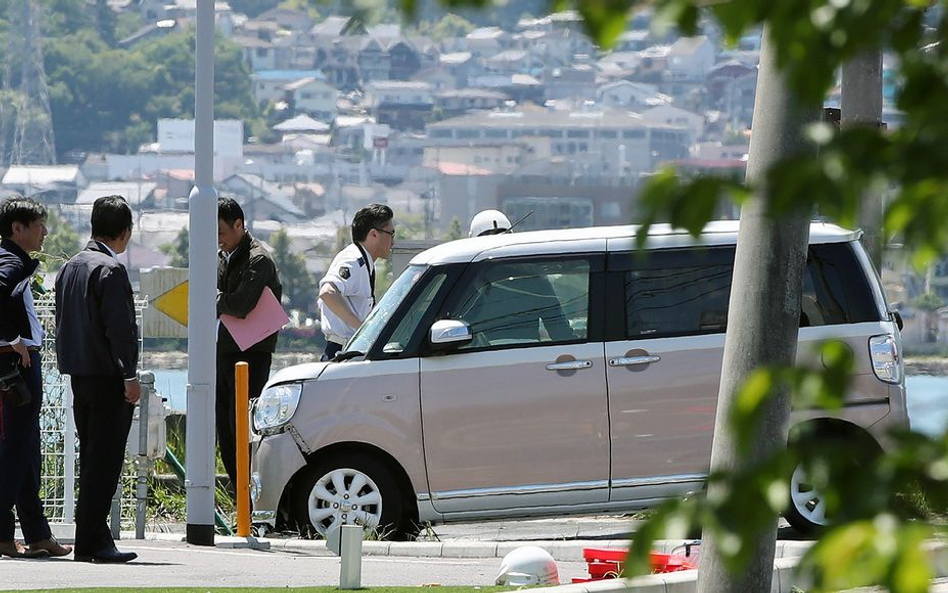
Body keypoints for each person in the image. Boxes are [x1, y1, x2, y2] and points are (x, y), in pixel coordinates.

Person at [55, 195, 139, 563]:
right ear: (125, 232)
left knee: (91, 457)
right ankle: (93, 541)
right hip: (107, 377)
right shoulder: (110, 269)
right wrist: (130, 374)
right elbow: (119, 329)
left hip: (78, 374)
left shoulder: (70, 267)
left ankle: (94, 534)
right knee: (104, 461)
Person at [0, 197, 72, 560]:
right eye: (38, 225)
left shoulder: (13, 261)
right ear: (17, 228)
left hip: (20, 361)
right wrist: (11, 340)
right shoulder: (9, 261)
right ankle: (2, 532)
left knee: (25, 451)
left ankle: (37, 533)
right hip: (17, 365)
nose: (44, 232)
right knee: (16, 451)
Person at [216, 197, 282, 495]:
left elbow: (242, 304)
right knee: (225, 432)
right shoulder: (221, 256)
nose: (218, 239)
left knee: (243, 428)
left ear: (239, 225)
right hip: (224, 350)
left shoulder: (259, 259)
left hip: (251, 354)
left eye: (221, 232)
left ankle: (252, 497)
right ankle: (240, 496)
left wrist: (211, 298)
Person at [318, 204, 395, 360]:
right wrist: (363, 331)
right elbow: (327, 293)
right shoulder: (354, 260)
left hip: (350, 351)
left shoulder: (365, 263)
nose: (393, 241)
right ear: (374, 234)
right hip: (342, 352)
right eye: (391, 233)